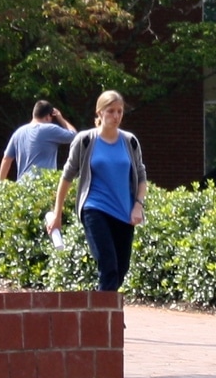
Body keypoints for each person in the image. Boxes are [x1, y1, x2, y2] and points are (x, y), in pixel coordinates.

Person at [50, 90, 147, 293]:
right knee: (108, 265)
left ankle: (100, 311)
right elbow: (66, 177)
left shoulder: (130, 141)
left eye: (119, 111)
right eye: (110, 111)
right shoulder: (85, 140)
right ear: (99, 113)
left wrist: (138, 205)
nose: (116, 116)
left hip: (124, 212)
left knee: (121, 269)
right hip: (95, 209)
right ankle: (106, 320)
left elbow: (141, 176)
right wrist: (57, 214)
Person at [0, 99, 74, 180]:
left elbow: (6, 159)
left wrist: (1, 184)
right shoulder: (49, 129)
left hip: (22, 186)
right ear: (48, 117)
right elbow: (74, 136)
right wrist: (60, 117)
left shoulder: (18, 133)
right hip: (43, 186)